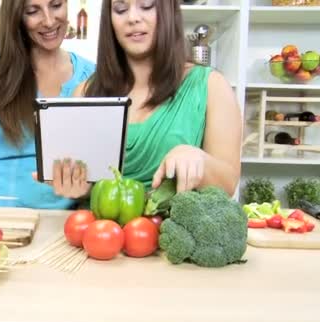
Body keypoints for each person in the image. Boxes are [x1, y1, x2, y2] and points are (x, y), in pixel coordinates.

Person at [50, 0, 242, 199]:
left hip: (172, 229)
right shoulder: (84, 93)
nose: (133, 18)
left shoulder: (211, 86)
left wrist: (200, 161)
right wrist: (77, 188)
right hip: (99, 229)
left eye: (147, 5)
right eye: (121, 9)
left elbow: (228, 184)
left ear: (168, 12)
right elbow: (86, 187)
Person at [0, 0, 96, 209]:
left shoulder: (93, 77)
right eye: (33, 11)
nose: (49, 20)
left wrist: (87, 191)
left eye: (56, 5)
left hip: (66, 223)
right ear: (17, 17)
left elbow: (100, 169)